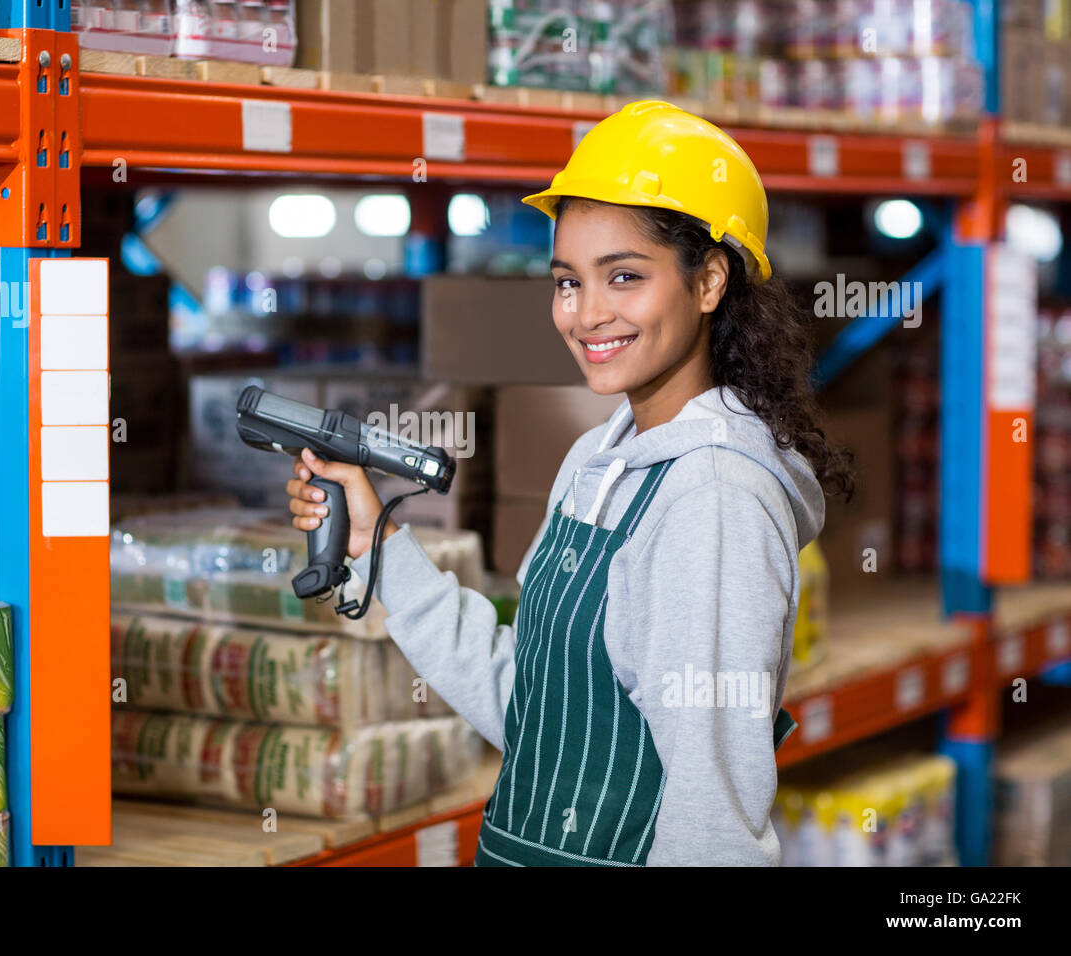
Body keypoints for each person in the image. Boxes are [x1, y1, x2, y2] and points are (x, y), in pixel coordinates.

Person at [286, 101, 854, 866]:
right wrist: (375, 544)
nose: (586, 314)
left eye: (624, 277)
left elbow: (712, 812)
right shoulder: (597, 459)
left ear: (711, 280)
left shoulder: (714, 498)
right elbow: (532, 704)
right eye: (566, 282)